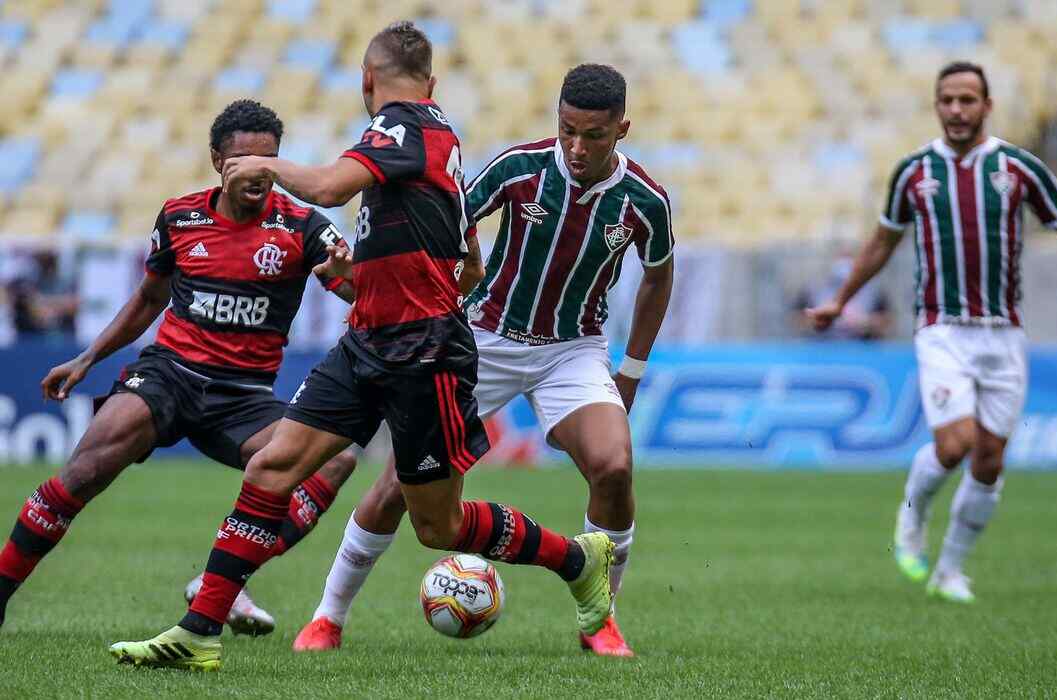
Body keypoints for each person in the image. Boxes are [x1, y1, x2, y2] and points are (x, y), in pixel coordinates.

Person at [109, 22, 613, 672]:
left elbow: (324, 189)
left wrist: (262, 163)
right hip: (370, 342)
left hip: (422, 354)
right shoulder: (437, 141)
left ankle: (576, 559)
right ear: (430, 82)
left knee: (438, 526)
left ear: (368, 82)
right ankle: (199, 631)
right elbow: (472, 269)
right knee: (273, 469)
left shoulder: (403, 128)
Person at [292, 63, 673, 658]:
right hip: (482, 339)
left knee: (614, 468)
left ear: (621, 129)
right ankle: (327, 617)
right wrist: (373, 273)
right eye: (567, 129)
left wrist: (631, 370)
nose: (576, 146)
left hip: (572, 351)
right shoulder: (518, 168)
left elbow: (658, 275)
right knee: (399, 485)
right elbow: (436, 223)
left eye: (593, 135)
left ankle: (600, 617)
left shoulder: (644, 201)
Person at [0, 99, 359, 634]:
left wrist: (350, 276)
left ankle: (226, 586)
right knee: (82, 472)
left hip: (244, 398)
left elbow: (355, 291)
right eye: (245, 161)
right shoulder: (179, 216)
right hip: (168, 375)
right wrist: (88, 357)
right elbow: (148, 299)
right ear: (218, 160)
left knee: (336, 461)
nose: (259, 173)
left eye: (271, 162)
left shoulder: (304, 228)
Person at [806, 61, 1057, 603]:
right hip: (943, 327)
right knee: (956, 444)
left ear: (986, 106)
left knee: (990, 461)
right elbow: (881, 243)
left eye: (967, 100)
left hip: (1004, 334)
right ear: (936, 105)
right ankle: (913, 515)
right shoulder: (914, 173)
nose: (956, 110)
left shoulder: (1019, 169)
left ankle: (950, 569)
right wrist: (840, 300)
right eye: (947, 100)